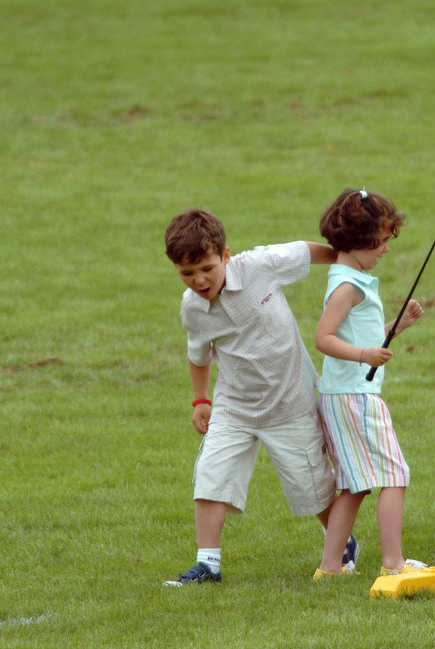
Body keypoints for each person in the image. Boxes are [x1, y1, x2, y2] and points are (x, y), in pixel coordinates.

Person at [162, 208, 359, 586]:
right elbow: (198, 353)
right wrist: (201, 400)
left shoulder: (261, 265)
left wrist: (347, 261)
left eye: (206, 268)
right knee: (210, 476)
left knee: (314, 488)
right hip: (234, 406)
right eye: (187, 274)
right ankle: (208, 564)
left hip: (291, 403)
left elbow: (304, 251)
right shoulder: (192, 308)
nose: (199, 280)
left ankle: (342, 544)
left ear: (226, 255)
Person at [312, 188, 428, 580]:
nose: (386, 250)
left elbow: (358, 334)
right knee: (394, 475)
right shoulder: (349, 286)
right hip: (356, 397)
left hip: (342, 395)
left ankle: (330, 568)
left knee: (356, 485)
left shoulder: (348, 278)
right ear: (359, 240)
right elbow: (324, 337)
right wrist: (365, 356)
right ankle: (394, 565)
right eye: (381, 242)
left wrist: (396, 328)